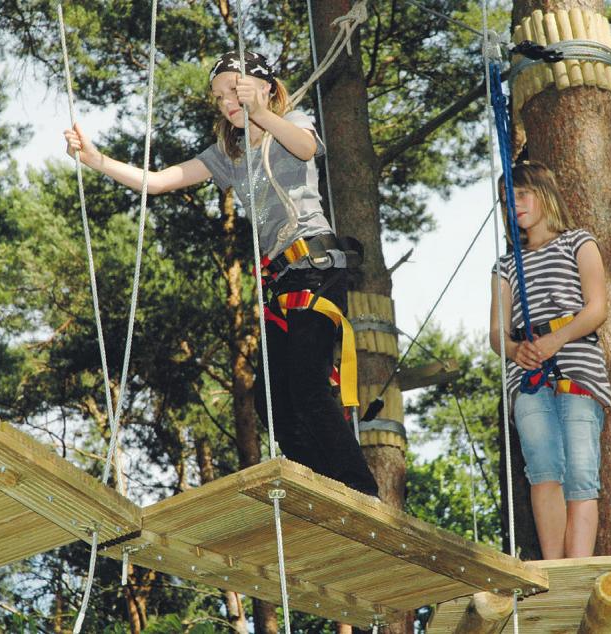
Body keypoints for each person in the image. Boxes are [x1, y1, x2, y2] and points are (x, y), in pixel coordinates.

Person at [63, 50, 379, 497]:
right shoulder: (228, 155)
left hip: (316, 270)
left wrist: (262, 113)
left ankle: (360, 488)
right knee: (271, 403)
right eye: (219, 97)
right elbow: (158, 181)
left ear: (264, 87)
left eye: (235, 90)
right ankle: (321, 488)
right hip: (281, 284)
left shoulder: (290, 124)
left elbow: (307, 148)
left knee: (308, 386)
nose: (227, 102)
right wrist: (97, 160)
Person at [489, 161, 611, 559]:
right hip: (528, 373)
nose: (514, 205)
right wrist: (515, 350)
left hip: (577, 367)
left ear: (545, 194)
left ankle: (577, 567)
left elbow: (596, 308)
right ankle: (555, 570)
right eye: (507, 200)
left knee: (580, 472)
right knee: (542, 469)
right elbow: (497, 332)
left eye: (522, 195)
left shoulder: (579, 242)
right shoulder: (507, 265)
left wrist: (556, 340)